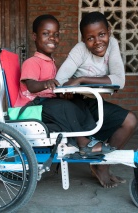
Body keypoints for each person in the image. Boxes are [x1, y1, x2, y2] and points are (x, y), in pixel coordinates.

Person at [56, 12, 138, 188]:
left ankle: (101, 165)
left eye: (101, 34)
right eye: (90, 38)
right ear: (83, 40)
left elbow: (119, 80)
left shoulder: (113, 44)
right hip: (75, 104)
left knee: (130, 121)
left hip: (92, 102)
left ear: (109, 31)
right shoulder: (79, 50)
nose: (97, 41)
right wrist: (71, 88)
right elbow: (60, 80)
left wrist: (82, 79)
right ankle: (98, 163)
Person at [14, 14, 116, 157]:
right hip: (32, 107)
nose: (52, 38)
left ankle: (90, 137)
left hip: (45, 104)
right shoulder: (32, 62)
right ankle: (82, 143)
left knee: (79, 102)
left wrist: (62, 93)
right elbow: (31, 86)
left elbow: (52, 91)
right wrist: (46, 83)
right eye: (45, 33)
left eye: (56, 34)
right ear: (34, 36)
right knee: (64, 107)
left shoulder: (50, 62)